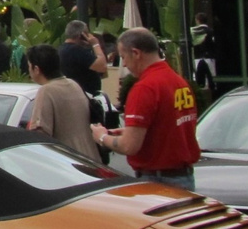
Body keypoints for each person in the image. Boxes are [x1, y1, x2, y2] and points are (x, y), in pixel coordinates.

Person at [92, 28, 200, 190]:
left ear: (136, 53)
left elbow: (129, 146)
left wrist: (102, 138)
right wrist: (133, 131)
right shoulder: (178, 81)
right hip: (183, 176)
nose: (125, 65)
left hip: (158, 180)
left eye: (123, 57)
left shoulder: (145, 88)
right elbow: (170, 125)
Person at [25, 45, 96, 162]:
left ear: (36, 69)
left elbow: (40, 134)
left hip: (68, 162)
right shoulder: (74, 84)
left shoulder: (46, 91)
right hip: (90, 158)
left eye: (29, 66)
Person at [58, 20, 108, 96]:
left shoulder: (61, 49)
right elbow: (102, 66)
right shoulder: (76, 51)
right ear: (81, 35)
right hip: (86, 95)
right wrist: (95, 44)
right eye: (87, 34)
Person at [191, 12, 217, 92]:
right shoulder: (210, 31)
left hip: (197, 57)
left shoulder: (193, 31)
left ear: (197, 20)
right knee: (211, 77)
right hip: (209, 57)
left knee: (197, 77)